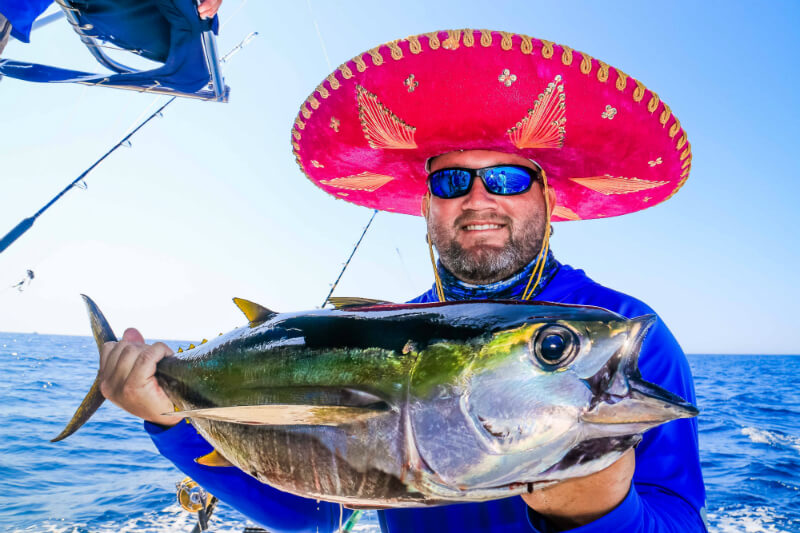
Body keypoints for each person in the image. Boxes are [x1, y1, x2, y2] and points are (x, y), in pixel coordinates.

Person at [97, 30, 706, 532]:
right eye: (449, 182)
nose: (477, 199)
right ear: (426, 208)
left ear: (548, 200)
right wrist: (171, 420)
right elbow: (315, 513)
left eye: (508, 179)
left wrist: (601, 514)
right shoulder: (377, 324)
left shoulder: (625, 334)